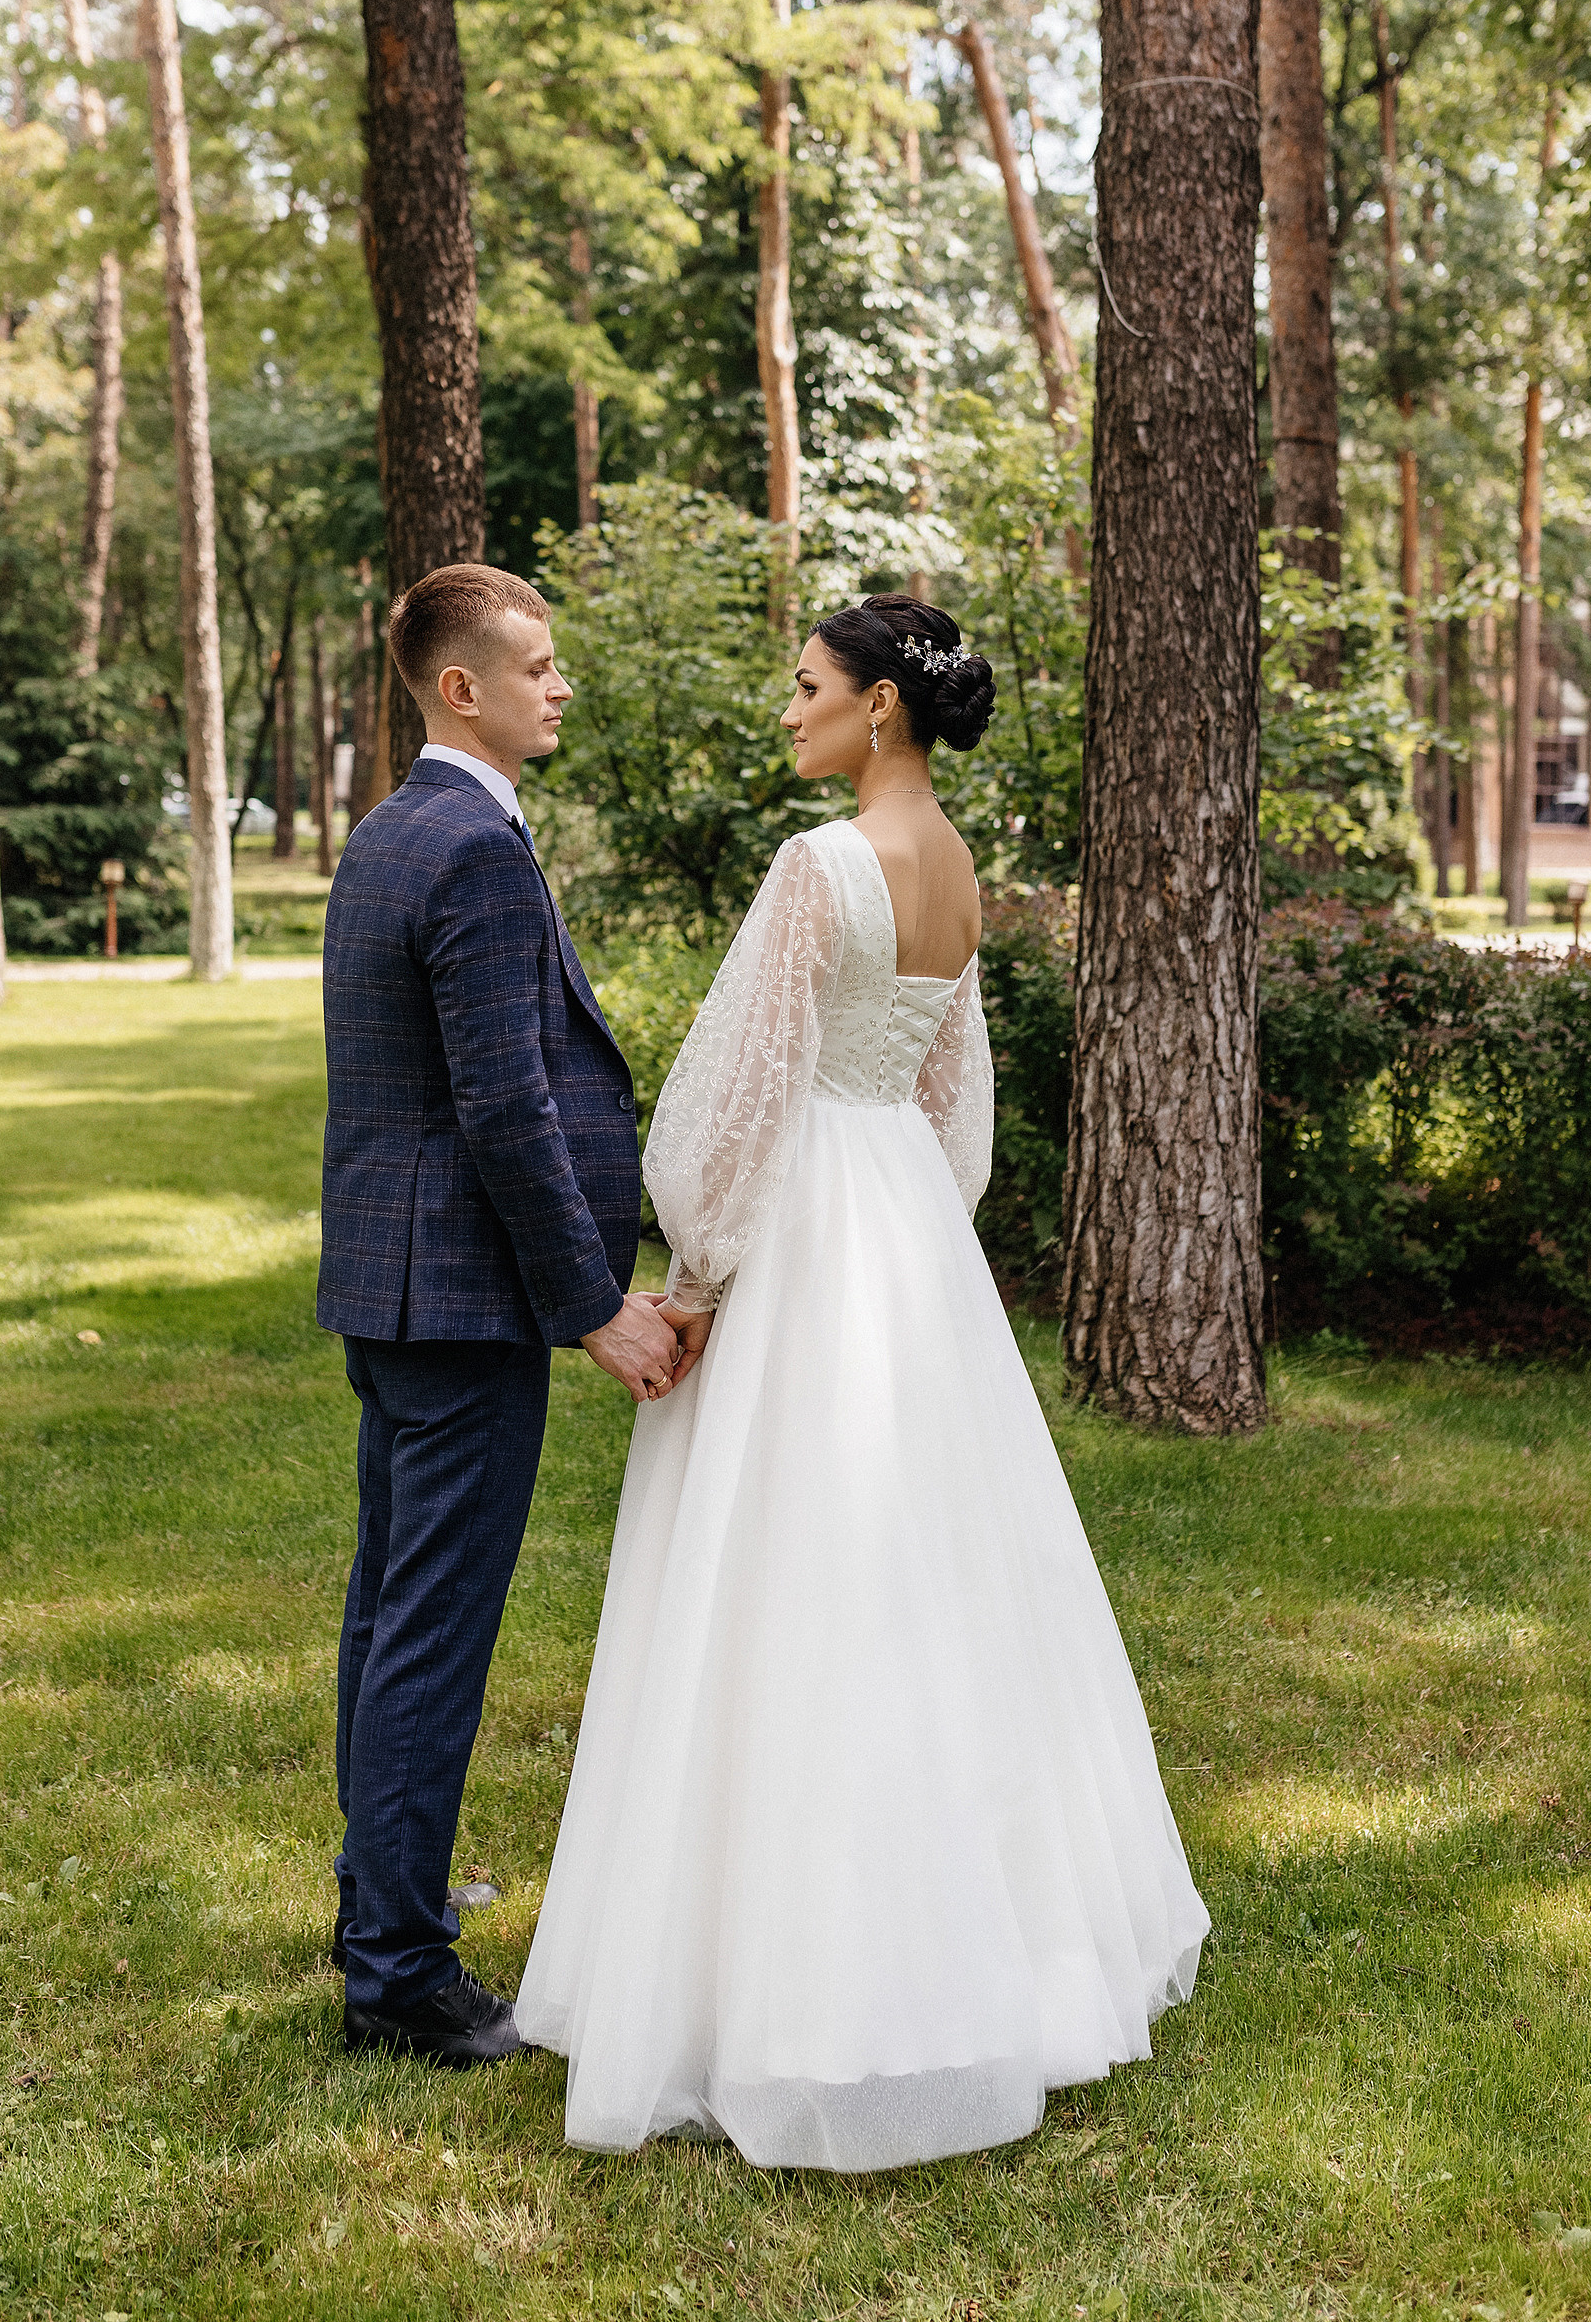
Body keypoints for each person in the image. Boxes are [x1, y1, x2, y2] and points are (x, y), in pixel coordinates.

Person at [516, 593, 1209, 2169]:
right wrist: (911, 1222)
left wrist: (691, 1281)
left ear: (880, 707)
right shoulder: (955, 869)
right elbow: (952, 1098)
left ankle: (773, 1989)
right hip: (897, 1216)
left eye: (810, 687)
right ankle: (998, 1943)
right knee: (932, 1581)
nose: (792, 711)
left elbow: (734, 1096)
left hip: (814, 1224)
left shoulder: (817, 867)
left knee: (787, 1585)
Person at [318, 563, 686, 2067]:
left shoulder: (394, 827)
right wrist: (592, 1303)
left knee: (388, 1606)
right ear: (458, 687)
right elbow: (506, 1107)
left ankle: (376, 1903)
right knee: (432, 1635)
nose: (561, 684)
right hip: (464, 1299)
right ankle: (400, 1975)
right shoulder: (470, 846)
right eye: (536, 665)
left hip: (397, 1287)